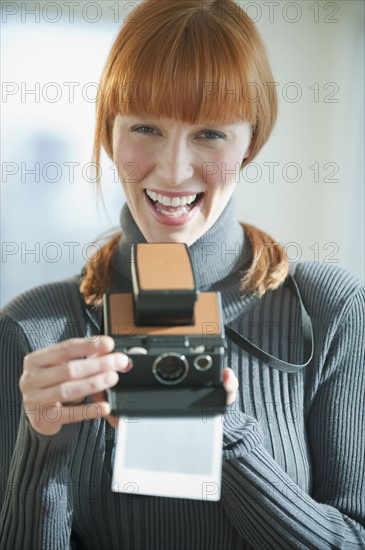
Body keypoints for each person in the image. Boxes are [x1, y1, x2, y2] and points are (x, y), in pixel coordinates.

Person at [1, 0, 364, 548]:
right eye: (145, 127)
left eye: (210, 134)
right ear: (108, 134)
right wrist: (43, 448)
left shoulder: (330, 310)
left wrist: (225, 437)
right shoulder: (35, 331)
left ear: (250, 144)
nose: (173, 170)